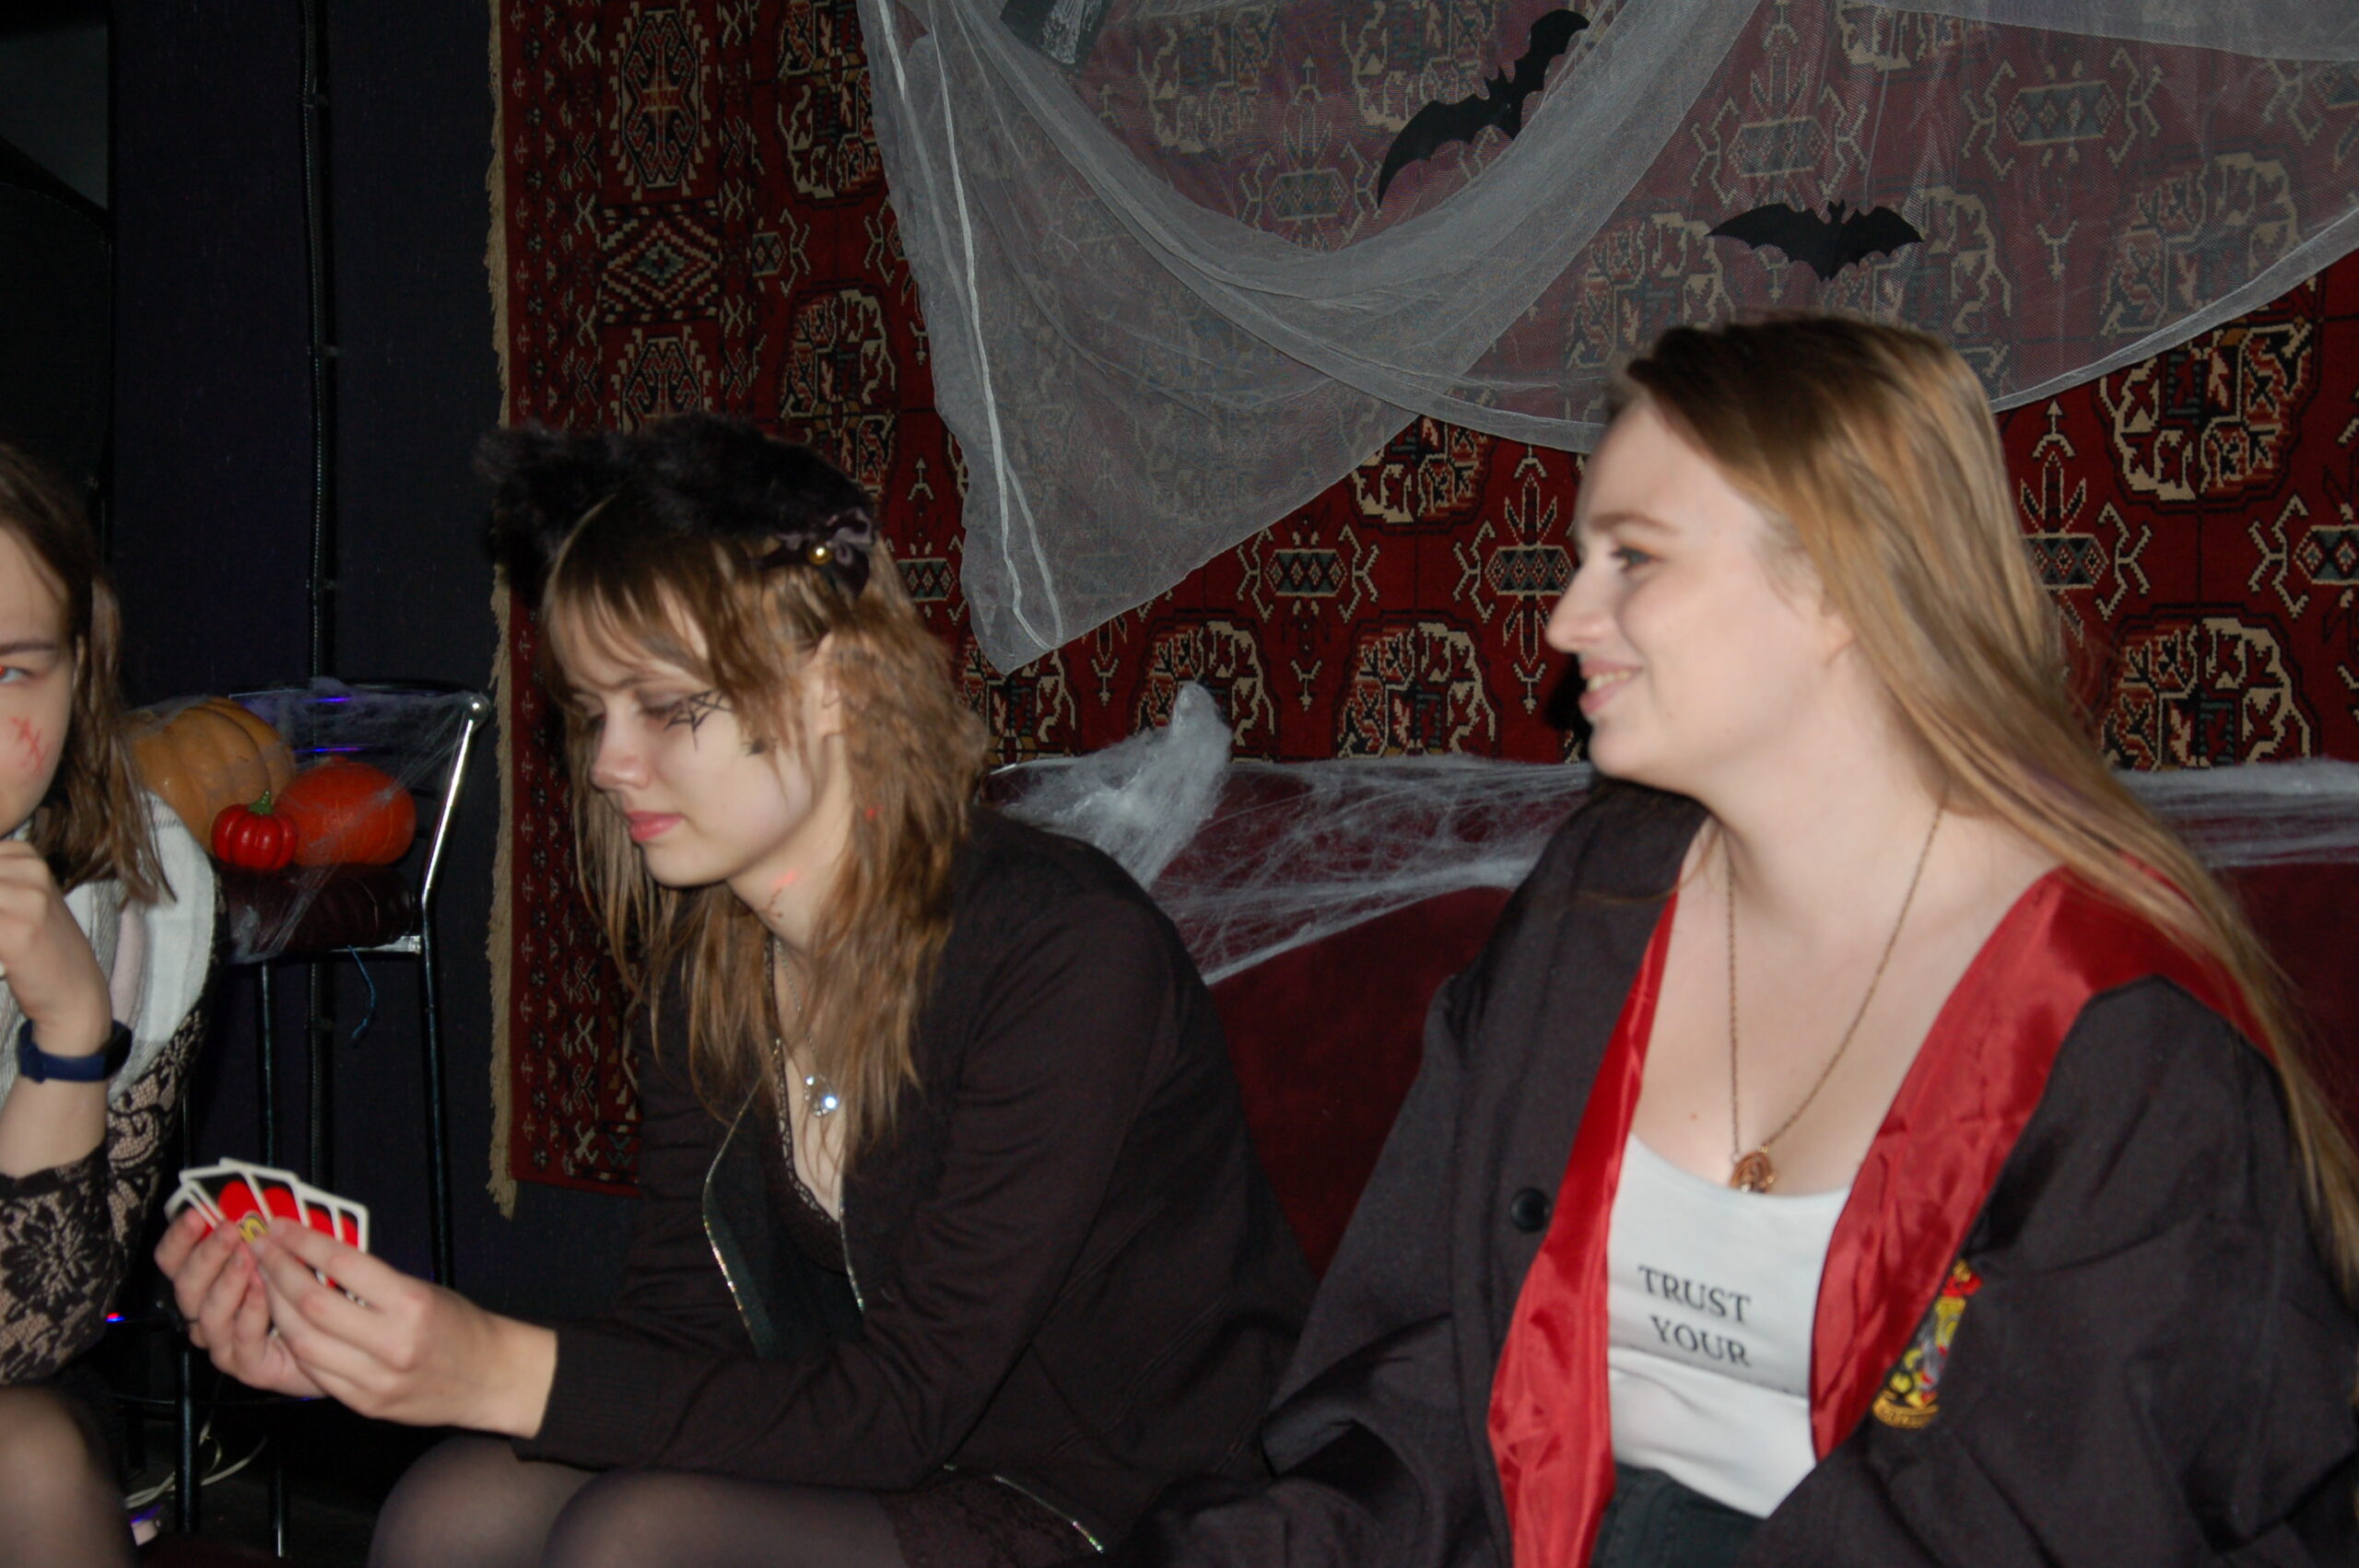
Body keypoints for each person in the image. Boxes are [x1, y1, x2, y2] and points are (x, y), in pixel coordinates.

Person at [1097, 318, 2359, 1568]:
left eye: (1633, 558)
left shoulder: (2124, 1040)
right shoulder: (1595, 906)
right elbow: (1433, 1385)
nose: (1565, 621)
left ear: (1837, 586)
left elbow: (2023, 1523)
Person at [156, 415, 1311, 1568]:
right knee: (452, 1506)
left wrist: (488, 1366)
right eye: (591, 712)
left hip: (1121, 1497)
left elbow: (908, 1401)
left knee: (637, 1540)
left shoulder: (1063, 954)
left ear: (831, 683)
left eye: (668, 707)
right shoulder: (708, 973)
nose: (608, 763)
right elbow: (687, 1327)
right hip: (886, 1448)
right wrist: (372, 1345)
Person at [0, 441, 217, 1567]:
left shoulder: (140, 898)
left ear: (80, 669)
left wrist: (70, 1034)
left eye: (9, 673)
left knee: (33, 1455)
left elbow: (31, 1335)